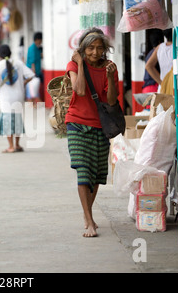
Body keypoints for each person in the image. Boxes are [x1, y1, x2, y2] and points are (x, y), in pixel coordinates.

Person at [65, 28, 119, 238]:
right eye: (90, 48)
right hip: (77, 123)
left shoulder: (109, 67)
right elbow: (79, 90)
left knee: (97, 174)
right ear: (83, 49)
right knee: (84, 171)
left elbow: (112, 101)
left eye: (99, 48)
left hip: (101, 125)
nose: (95, 52)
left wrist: (111, 77)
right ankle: (88, 219)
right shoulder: (73, 65)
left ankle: (89, 214)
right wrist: (79, 63)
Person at [0, 44, 35, 153]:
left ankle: (11, 147)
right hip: (18, 96)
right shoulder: (18, 63)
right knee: (17, 119)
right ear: (10, 53)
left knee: (7, 121)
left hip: (5, 97)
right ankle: (17, 145)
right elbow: (31, 75)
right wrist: (22, 83)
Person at [145, 28, 173, 92]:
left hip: (163, 88)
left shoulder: (160, 47)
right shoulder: (177, 47)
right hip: (174, 87)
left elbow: (148, 66)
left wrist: (162, 83)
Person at [142, 29, 163, 94]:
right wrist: (163, 84)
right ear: (160, 42)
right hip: (154, 87)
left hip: (147, 88)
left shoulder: (149, 53)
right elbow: (148, 67)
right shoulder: (159, 53)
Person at [26, 32, 43, 103]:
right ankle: (32, 102)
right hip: (32, 71)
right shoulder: (32, 48)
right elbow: (32, 62)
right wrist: (33, 73)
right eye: (41, 40)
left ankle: (35, 102)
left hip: (36, 71)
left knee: (34, 87)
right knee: (32, 87)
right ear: (37, 39)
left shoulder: (37, 48)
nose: (41, 42)